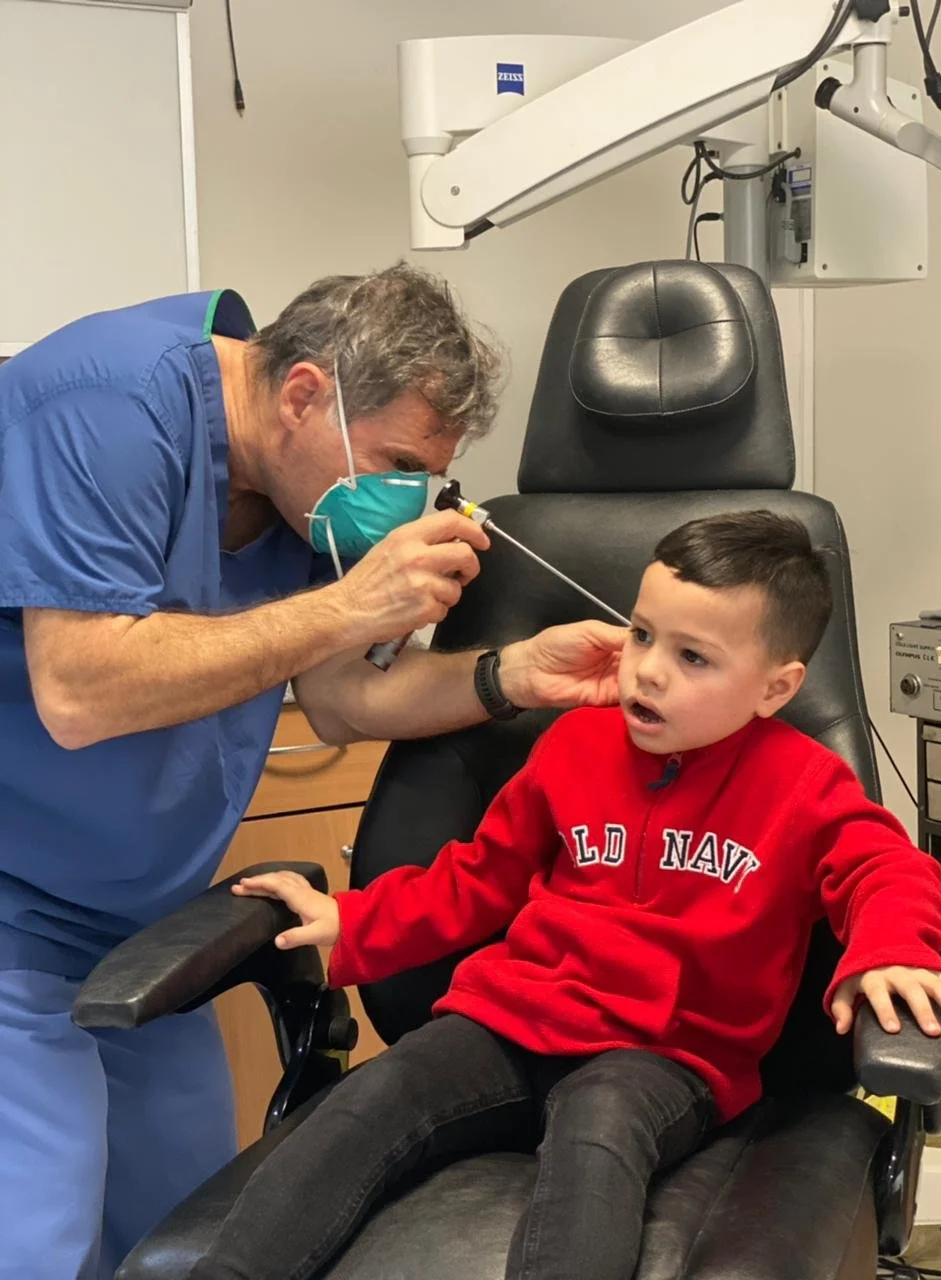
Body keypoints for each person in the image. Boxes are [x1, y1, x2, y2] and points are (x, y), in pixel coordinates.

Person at [0, 264, 626, 1280]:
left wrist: (510, 672)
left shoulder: (303, 499)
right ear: (302, 393)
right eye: (392, 461)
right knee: (36, 1233)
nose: (401, 496)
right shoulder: (107, 406)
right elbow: (77, 688)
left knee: (196, 1232)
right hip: (13, 904)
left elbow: (344, 698)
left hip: (142, 917)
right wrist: (350, 605)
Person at [189, 510, 941, 1280]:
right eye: (643, 635)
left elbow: (885, 869)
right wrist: (351, 917)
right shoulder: (576, 745)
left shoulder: (804, 783)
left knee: (599, 1132)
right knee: (369, 1103)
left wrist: (894, 950)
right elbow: (476, 877)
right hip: (513, 1014)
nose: (649, 670)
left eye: (694, 657)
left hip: (666, 1054)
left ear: (776, 688)